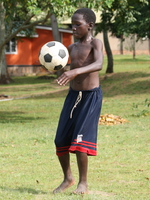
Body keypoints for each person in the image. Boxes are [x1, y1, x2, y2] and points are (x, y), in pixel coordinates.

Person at [53, 8, 103, 194]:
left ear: (89, 26)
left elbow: (98, 64)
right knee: (60, 140)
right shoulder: (71, 48)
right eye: (71, 25)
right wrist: (55, 67)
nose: (73, 28)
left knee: (80, 142)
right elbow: (63, 66)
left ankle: (83, 183)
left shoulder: (95, 44)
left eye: (77, 24)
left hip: (90, 97)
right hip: (73, 97)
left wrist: (74, 72)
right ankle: (68, 178)